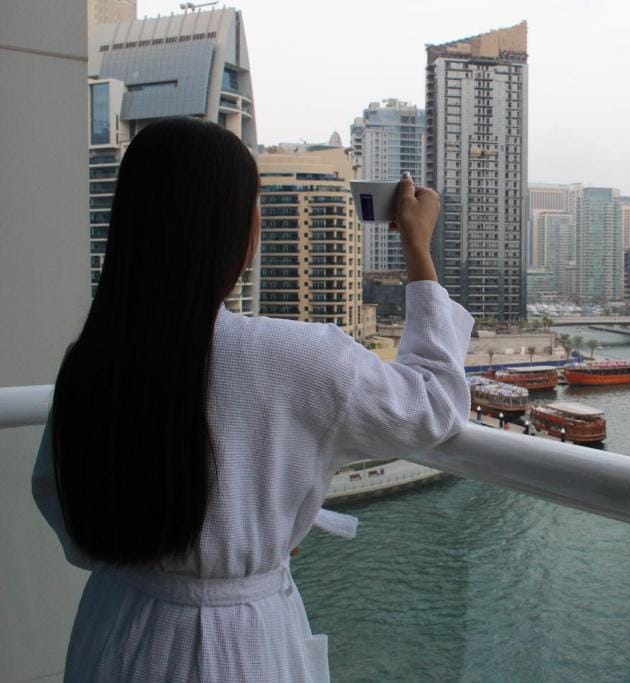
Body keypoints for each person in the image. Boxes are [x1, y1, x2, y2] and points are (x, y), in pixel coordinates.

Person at [31, 117, 472, 682]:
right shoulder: (295, 355)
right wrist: (417, 247)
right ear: (233, 227)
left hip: (113, 630)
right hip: (234, 646)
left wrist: (221, 537)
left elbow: (57, 495)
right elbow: (434, 404)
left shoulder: (93, 357)